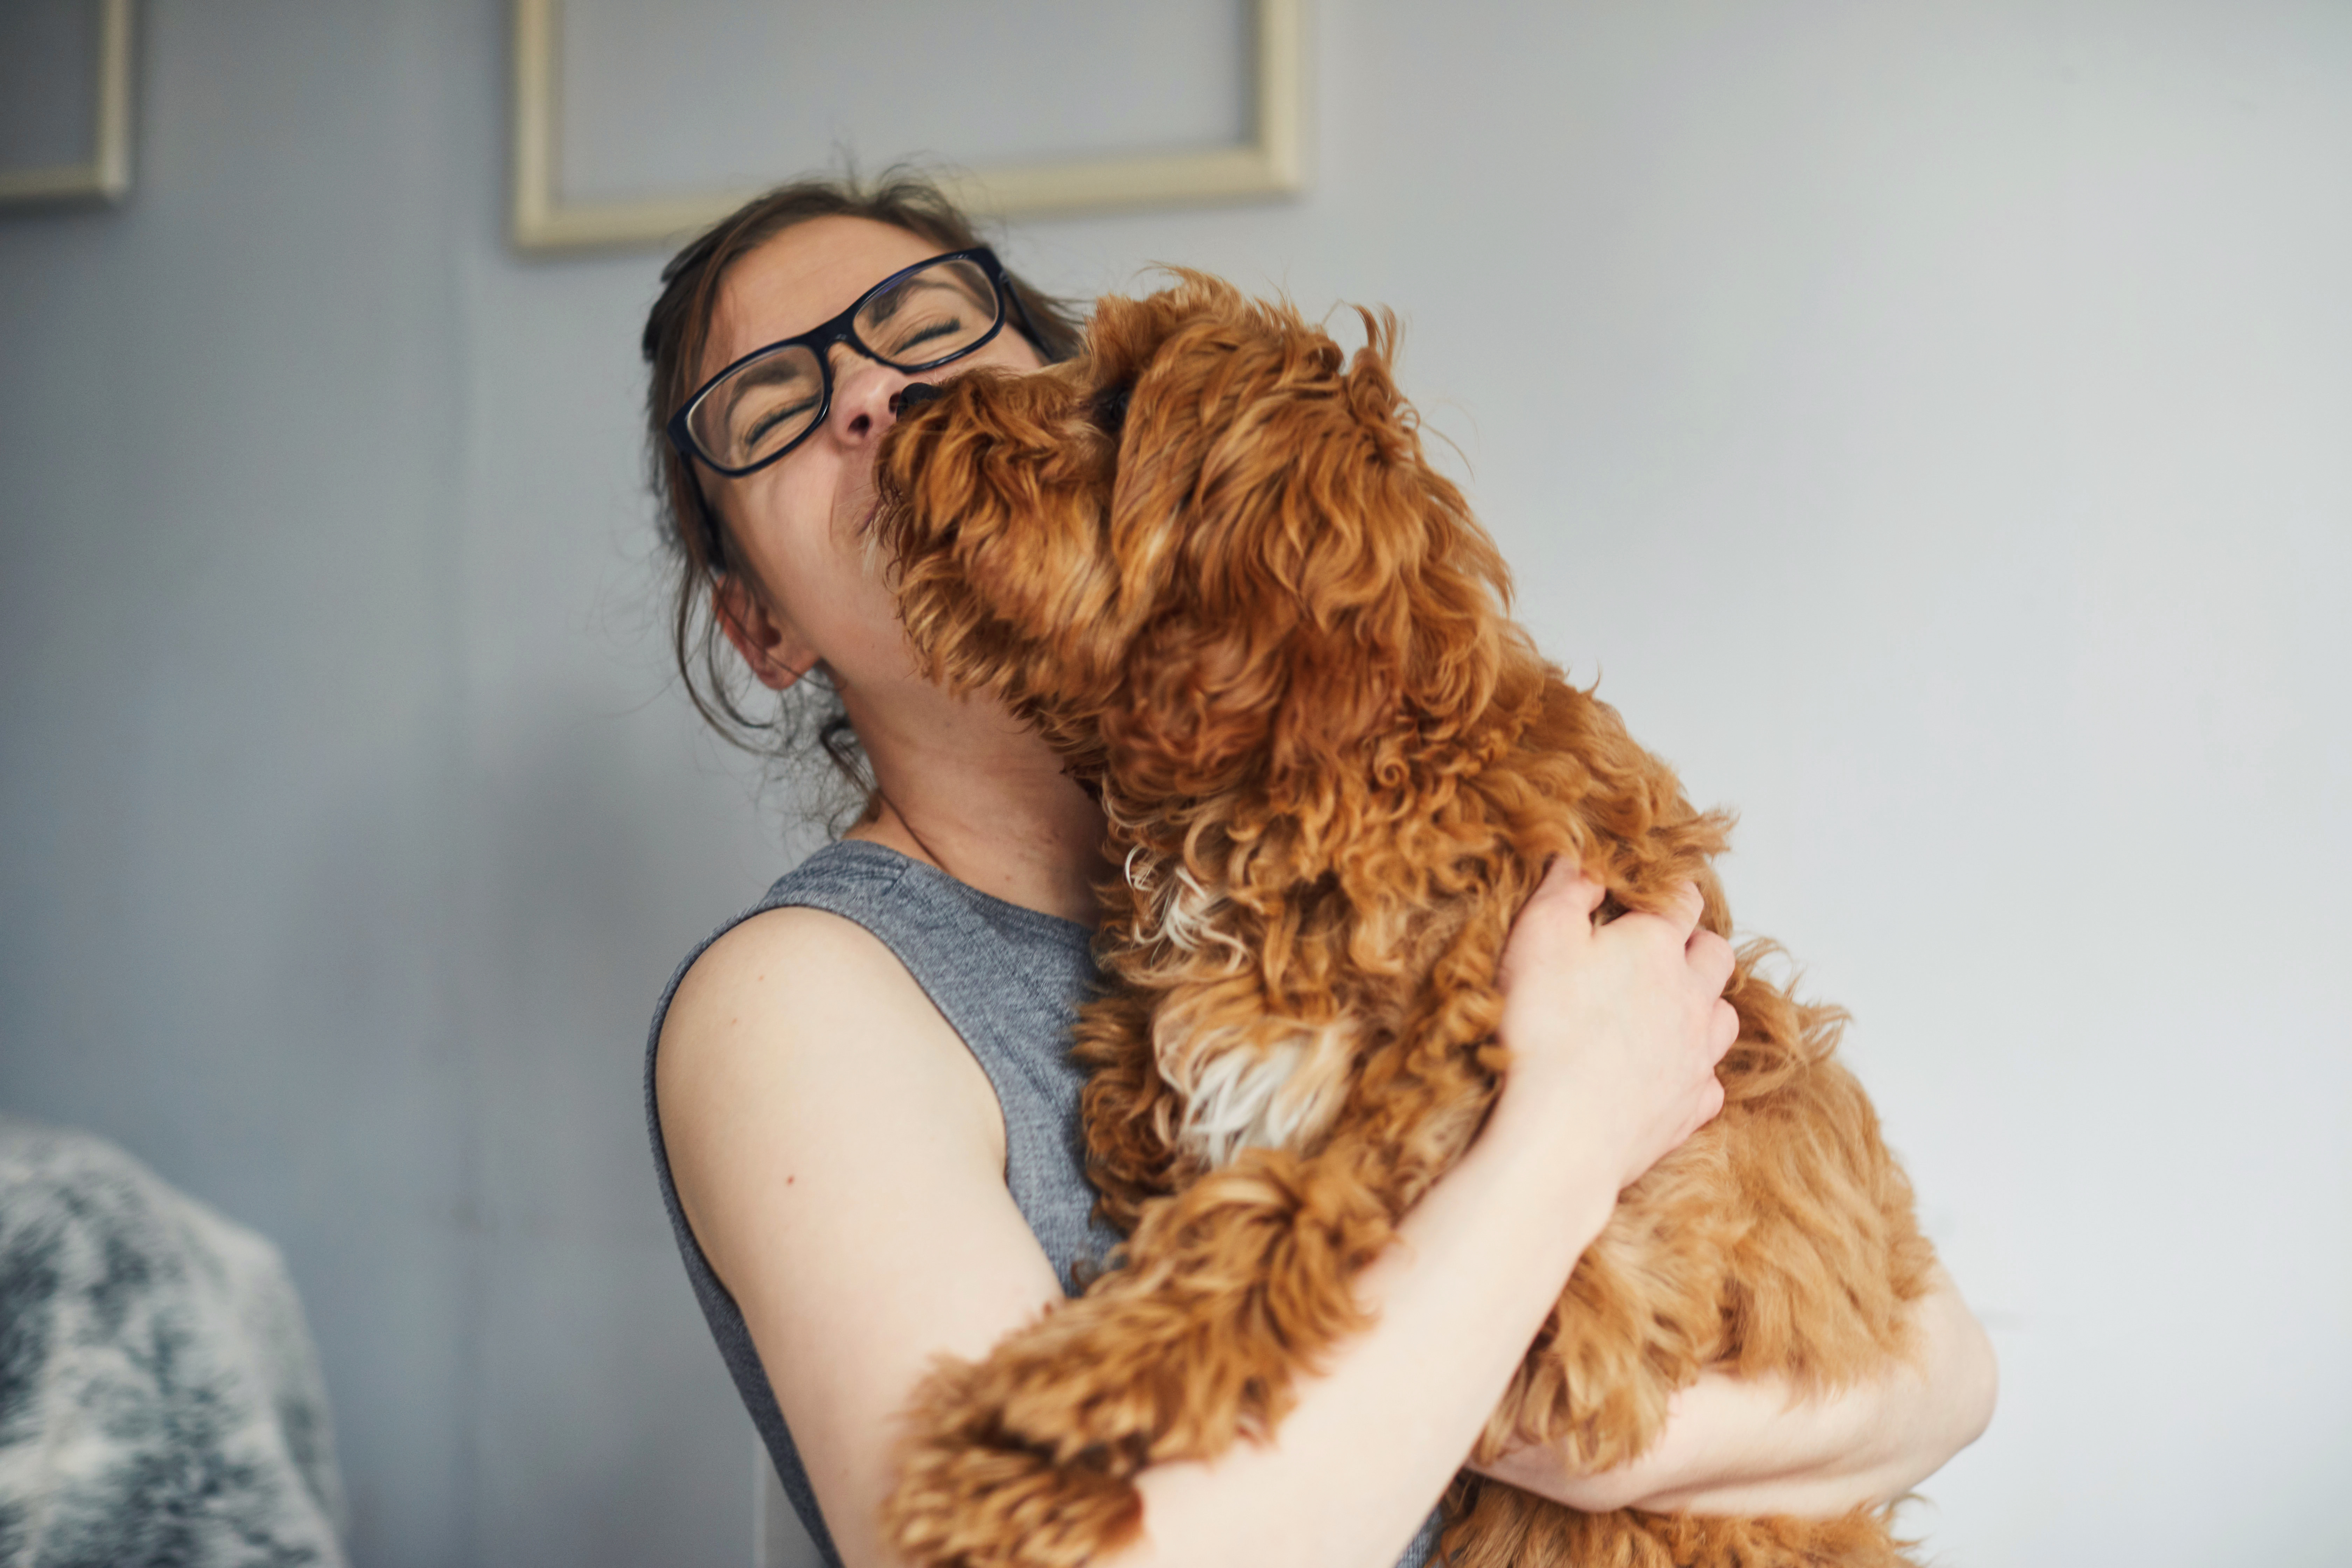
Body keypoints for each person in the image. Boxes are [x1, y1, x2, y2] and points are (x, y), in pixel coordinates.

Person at [642, 173, 1996, 1568]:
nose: (876, 394)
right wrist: (1568, 1131)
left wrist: (1588, 1438)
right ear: (760, 624)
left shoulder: (1421, 819)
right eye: (771, 407)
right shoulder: (798, 1004)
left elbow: (1943, 1374)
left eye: (921, 324)